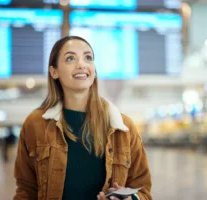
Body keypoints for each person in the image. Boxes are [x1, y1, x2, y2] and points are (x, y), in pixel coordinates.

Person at [13, 36, 152, 200]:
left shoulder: (123, 128)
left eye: (88, 58)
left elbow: (143, 191)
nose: (82, 64)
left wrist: (130, 199)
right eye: (70, 58)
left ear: (94, 71)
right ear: (54, 72)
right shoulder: (36, 124)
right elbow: (26, 190)